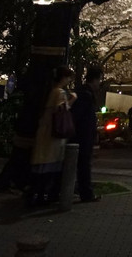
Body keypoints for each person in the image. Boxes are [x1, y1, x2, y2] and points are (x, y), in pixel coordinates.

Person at [28, 65, 76, 206]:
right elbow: (60, 110)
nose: (68, 81)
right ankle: (41, 196)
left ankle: (35, 195)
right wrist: (72, 99)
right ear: (63, 77)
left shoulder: (49, 91)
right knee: (48, 167)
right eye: (68, 78)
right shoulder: (59, 92)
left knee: (41, 166)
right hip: (52, 134)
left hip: (44, 131)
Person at [70, 64, 103, 203]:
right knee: (84, 164)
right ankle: (86, 193)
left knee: (79, 164)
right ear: (95, 79)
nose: (100, 83)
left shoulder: (81, 92)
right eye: (100, 80)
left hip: (79, 135)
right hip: (82, 136)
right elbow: (80, 116)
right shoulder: (86, 94)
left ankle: (79, 190)